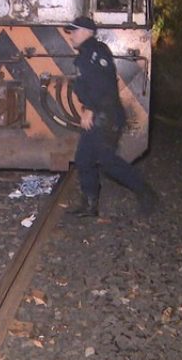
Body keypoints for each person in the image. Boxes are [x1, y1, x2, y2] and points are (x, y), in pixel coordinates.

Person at [65, 16, 157, 217]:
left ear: (87, 32)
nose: (70, 35)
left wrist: (90, 108)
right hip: (101, 114)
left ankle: (146, 193)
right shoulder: (86, 54)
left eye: (74, 31)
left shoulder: (95, 52)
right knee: (84, 159)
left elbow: (103, 86)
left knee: (107, 162)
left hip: (105, 116)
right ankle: (90, 206)